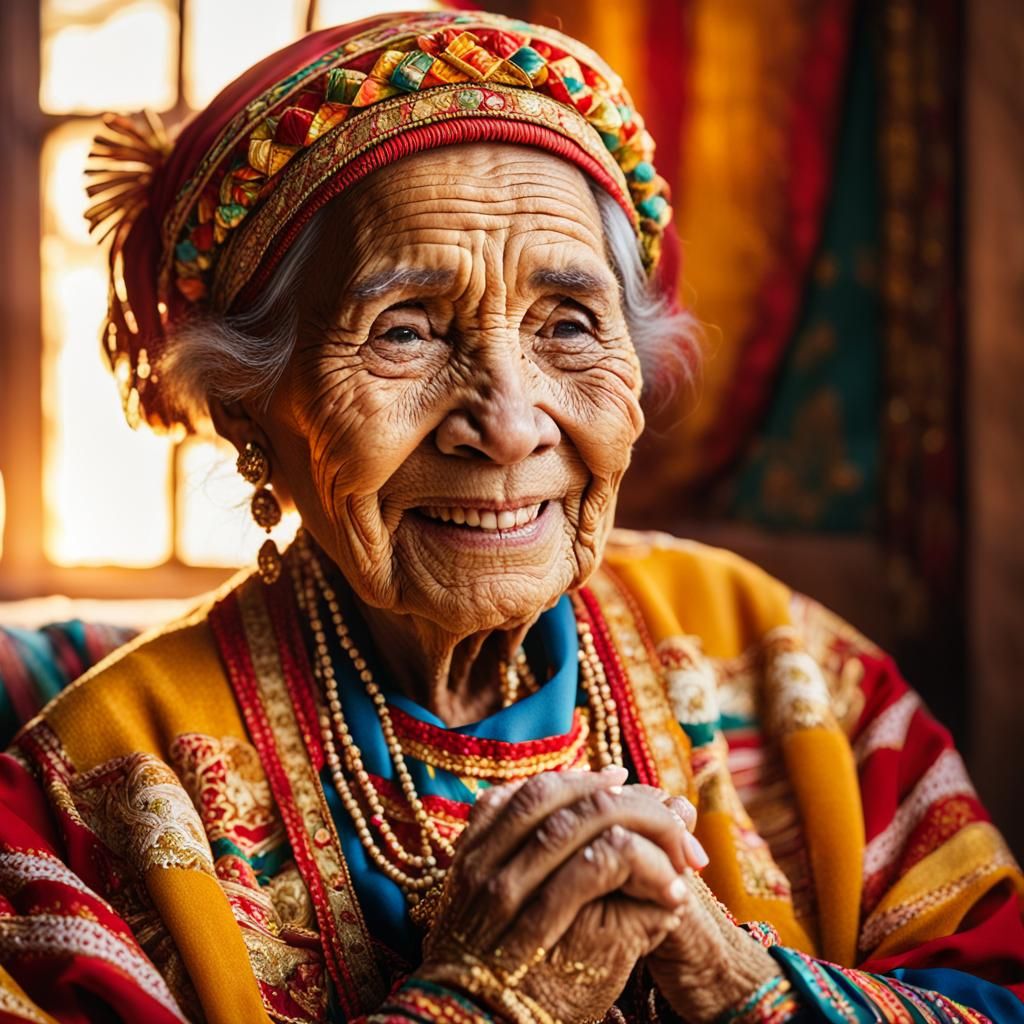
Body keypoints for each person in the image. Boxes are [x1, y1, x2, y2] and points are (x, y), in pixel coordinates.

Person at [1, 11, 1021, 1024]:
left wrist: (736, 984)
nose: (507, 422)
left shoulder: (787, 669)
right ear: (246, 407)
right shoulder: (92, 792)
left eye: (568, 325)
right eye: (403, 331)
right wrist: (482, 1003)